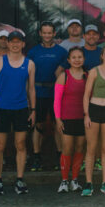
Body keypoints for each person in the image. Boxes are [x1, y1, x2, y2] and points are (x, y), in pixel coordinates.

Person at [0, 30, 36, 195]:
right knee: (0, 145)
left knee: (20, 144)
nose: (15, 44)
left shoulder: (29, 64)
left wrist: (33, 110)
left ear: (23, 44)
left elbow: (31, 89)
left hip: (21, 109)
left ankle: (20, 180)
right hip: (1, 108)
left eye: (18, 42)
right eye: (12, 41)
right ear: (7, 43)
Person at [27, 22, 68, 172]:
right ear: (40, 33)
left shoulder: (62, 52)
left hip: (56, 93)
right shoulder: (33, 52)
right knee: (38, 125)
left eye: (50, 33)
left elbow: (65, 73)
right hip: (38, 93)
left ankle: (60, 157)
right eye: (44, 33)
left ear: (54, 33)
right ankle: (37, 157)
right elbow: (28, 75)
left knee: (59, 125)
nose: (47, 35)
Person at [82, 45, 105, 196]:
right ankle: (88, 183)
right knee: (91, 148)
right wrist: (86, 114)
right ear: (102, 56)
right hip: (94, 110)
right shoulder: (94, 71)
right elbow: (86, 95)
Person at [54, 47, 86, 193]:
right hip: (67, 118)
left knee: (80, 148)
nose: (77, 60)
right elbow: (57, 100)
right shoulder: (64, 76)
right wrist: (58, 119)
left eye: (80, 57)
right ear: (68, 60)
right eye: (74, 57)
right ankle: (64, 181)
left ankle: (75, 180)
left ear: (83, 59)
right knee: (67, 149)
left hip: (83, 118)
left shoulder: (87, 76)